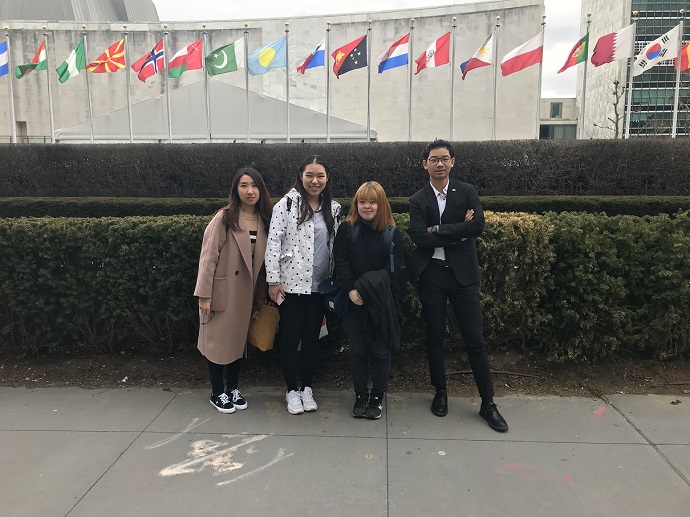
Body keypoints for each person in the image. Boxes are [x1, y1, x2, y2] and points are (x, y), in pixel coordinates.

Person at [408, 139, 508, 432]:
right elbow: (419, 237)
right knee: (434, 337)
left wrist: (438, 229)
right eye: (433, 159)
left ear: (453, 161)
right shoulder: (417, 199)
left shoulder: (467, 192)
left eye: (445, 158)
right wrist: (458, 232)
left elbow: (477, 226)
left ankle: (488, 402)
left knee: (474, 339)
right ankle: (440, 391)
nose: (439, 163)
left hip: (463, 276)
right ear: (424, 164)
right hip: (432, 275)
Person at [265, 155, 341, 415]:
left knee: (312, 339)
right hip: (291, 286)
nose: (315, 181)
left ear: (327, 178)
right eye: (309, 175)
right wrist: (273, 281)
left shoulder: (334, 209)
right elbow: (273, 243)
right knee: (290, 339)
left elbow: (336, 246)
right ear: (300, 176)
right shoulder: (285, 206)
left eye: (320, 175)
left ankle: (307, 387)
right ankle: (291, 390)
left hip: (320, 287)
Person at [194, 168, 273, 413]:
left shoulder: (265, 220)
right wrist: (204, 294)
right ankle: (217, 391)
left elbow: (260, 267)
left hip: (246, 295)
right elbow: (208, 258)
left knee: (238, 343)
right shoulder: (224, 217)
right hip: (221, 292)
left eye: (255, 185)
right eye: (244, 185)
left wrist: (260, 297)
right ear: (235, 190)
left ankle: (233, 388)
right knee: (218, 344)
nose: (250, 191)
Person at [334, 181, 404, 420]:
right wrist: (352, 290)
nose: (367, 206)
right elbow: (341, 263)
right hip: (354, 303)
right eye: (362, 202)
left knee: (380, 351)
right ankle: (361, 394)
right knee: (358, 351)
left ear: (381, 204)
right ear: (356, 204)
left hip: (381, 304)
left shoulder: (392, 233)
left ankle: (377, 396)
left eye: (372, 202)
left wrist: (367, 290)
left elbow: (394, 272)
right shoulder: (347, 230)